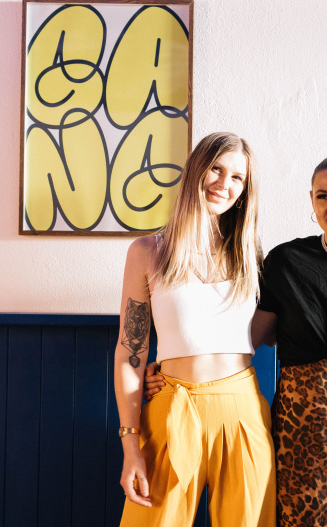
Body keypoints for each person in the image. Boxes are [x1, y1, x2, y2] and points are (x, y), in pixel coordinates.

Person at [146, 151, 327, 526]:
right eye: (323, 196)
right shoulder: (286, 262)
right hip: (301, 444)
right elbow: (242, 338)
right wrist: (170, 368)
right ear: (312, 200)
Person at [114, 132, 275, 527]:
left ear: (245, 190)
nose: (224, 183)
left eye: (237, 177)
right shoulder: (148, 252)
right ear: (195, 171)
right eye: (216, 169)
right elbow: (130, 351)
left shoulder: (251, 255)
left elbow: (263, 332)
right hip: (172, 406)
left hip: (242, 410)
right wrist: (130, 445)